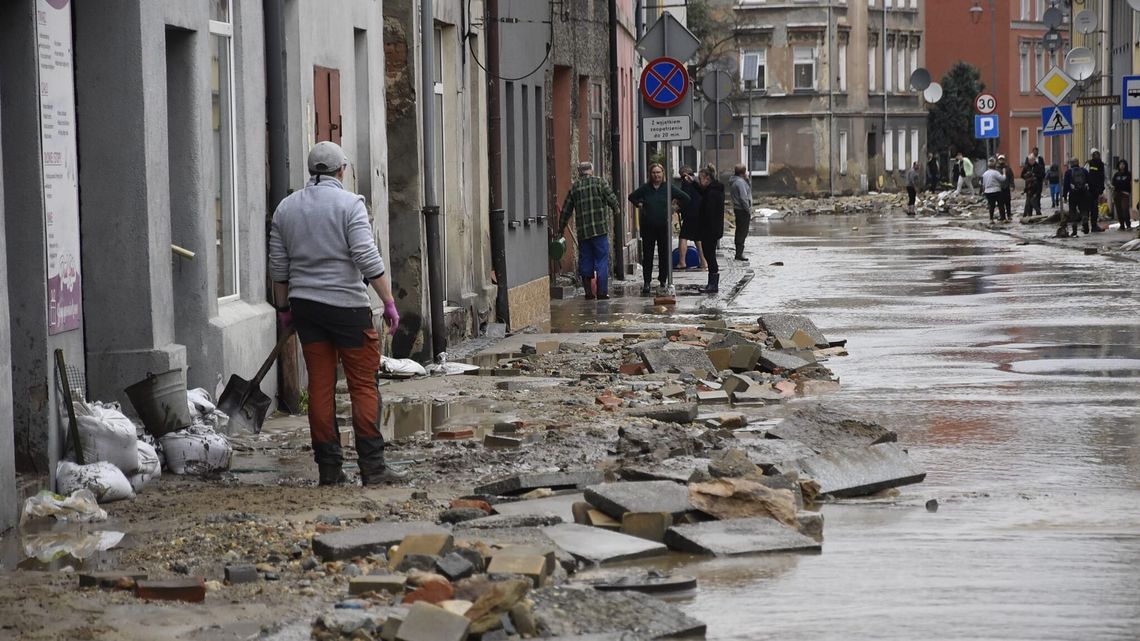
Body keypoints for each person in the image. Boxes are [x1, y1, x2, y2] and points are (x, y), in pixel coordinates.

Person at [269, 141, 403, 486]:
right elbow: (366, 257)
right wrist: (387, 301)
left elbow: (279, 267)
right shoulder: (350, 204)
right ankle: (373, 467)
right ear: (342, 170)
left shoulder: (285, 209)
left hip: (306, 309)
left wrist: (284, 310)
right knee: (362, 385)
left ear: (312, 171)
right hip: (347, 308)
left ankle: (330, 470)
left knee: (320, 386)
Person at [559, 161, 621, 300]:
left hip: (583, 233)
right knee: (601, 260)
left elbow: (566, 210)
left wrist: (561, 228)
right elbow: (613, 200)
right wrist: (616, 210)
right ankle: (601, 292)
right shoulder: (600, 183)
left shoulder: (575, 187)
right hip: (600, 230)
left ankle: (588, 292)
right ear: (591, 171)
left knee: (585, 260)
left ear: (579, 172)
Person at [628, 163, 689, 295]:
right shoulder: (645, 188)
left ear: (663, 174)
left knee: (664, 254)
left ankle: (662, 280)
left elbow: (685, 198)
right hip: (648, 226)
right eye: (654, 173)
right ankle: (647, 282)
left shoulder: (668, 188)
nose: (656, 175)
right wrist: (639, 204)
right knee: (648, 255)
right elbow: (632, 196)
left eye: (658, 173)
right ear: (650, 174)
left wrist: (675, 208)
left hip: (664, 226)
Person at [694, 166, 725, 293]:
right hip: (713, 229)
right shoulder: (714, 189)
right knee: (709, 254)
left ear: (707, 178)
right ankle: (711, 283)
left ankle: (713, 285)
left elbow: (709, 213)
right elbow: (703, 192)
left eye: (700, 179)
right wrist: (694, 184)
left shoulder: (712, 193)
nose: (700, 181)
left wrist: (703, 225)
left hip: (710, 230)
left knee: (709, 255)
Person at [677, 167, 706, 270]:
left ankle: (682, 262)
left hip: (690, 214)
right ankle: (703, 261)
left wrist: (679, 206)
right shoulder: (698, 181)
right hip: (700, 214)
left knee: (683, 237)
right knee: (698, 238)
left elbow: (685, 198)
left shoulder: (686, 183)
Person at [1061, 157, 1090, 237]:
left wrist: (1064, 196)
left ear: (1071, 164)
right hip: (1083, 194)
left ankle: (1074, 230)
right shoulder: (1084, 171)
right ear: (1078, 162)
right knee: (1083, 209)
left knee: (1072, 211)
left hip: (1073, 194)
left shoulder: (1068, 172)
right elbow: (1089, 181)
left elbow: (1066, 185)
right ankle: (1084, 219)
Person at [729, 164, 752, 261]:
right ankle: (739, 253)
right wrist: (748, 210)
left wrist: (747, 180)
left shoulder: (735, 181)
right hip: (742, 210)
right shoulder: (740, 183)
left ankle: (739, 252)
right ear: (743, 172)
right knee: (742, 231)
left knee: (740, 231)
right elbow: (743, 197)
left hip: (738, 209)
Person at [1086, 148, 1107, 232]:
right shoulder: (1089, 164)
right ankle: (1086, 225)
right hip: (1089, 190)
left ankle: (1094, 226)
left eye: (1097, 154)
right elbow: (1085, 174)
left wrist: (1108, 185)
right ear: (1092, 155)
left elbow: (1104, 176)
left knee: (1095, 208)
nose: (1096, 156)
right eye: (1094, 154)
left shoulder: (1101, 165)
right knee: (1087, 208)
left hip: (1097, 190)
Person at [1111, 159, 1133, 231]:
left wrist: (1119, 185)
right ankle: (1122, 225)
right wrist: (1116, 186)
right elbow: (1113, 183)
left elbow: (1126, 183)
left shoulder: (1128, 174)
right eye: (1120, 164)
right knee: (1119, 210)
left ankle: (1128, 225)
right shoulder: (1116, 174)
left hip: (1125, 193)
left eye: (1123, 164)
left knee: (1125, 209)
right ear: (1118, 166)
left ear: (1125, 165)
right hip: (1117, 194)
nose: (1122, 166)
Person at [982, 157, 1003, 222]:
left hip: (988, 191)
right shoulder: (995, 173)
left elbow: (983, 184)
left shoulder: (985, 173)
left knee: (991, 205)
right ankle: (1002, 217)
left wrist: (983, 191)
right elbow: (1002, 179)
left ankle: (991, 218)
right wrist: (1004, 174)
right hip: (996, 190)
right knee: (1000, 204)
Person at [1021, 153, 1043, 218]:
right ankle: (1028, 215)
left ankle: (1038, 214)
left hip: (1037, 186)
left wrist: (1034, 175)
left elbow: (1042, 175)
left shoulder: (1038, 166)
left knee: (1035, 201)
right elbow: (1022, 175)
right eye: (1029, 160)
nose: (1030, 161)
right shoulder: (1026, 166)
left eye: (1031, 160)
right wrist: (1027, 177)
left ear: (1034, 160)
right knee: (1028, 202)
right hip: (1029, 187)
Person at [997, 155, 1015, 222]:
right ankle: (1002, 216)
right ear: (998, 160)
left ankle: (1009, 215)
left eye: (1002, 159)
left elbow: (1011, 177)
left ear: (1004, 160)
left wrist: (1012, 185)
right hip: (999, 188)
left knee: (1007, 202)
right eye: (1000, 159)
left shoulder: (1008, 168)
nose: (1001, 161)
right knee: (1000, 203)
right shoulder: (996, 168)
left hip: (1006, 187)